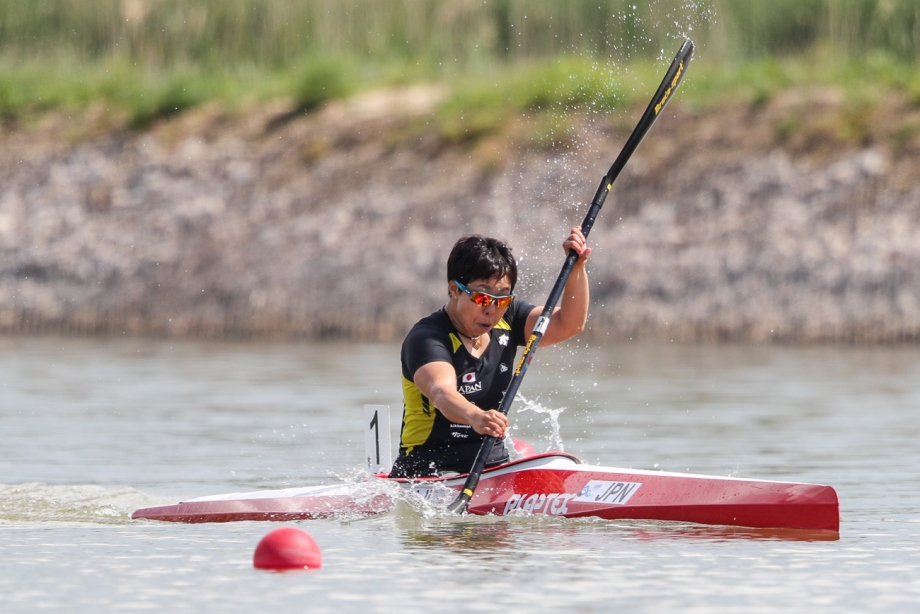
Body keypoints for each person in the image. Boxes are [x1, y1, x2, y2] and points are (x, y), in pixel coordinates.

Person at [390, 228, 591, 478]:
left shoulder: (510, 317)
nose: (493, 310)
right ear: (454, 289)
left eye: (502, 299)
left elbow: (569, 325)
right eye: (483, 297)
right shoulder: (427, 338)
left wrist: (577, 268)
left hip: (493, 467)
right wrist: (475, 416)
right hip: (429, 471)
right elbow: (441, 393)